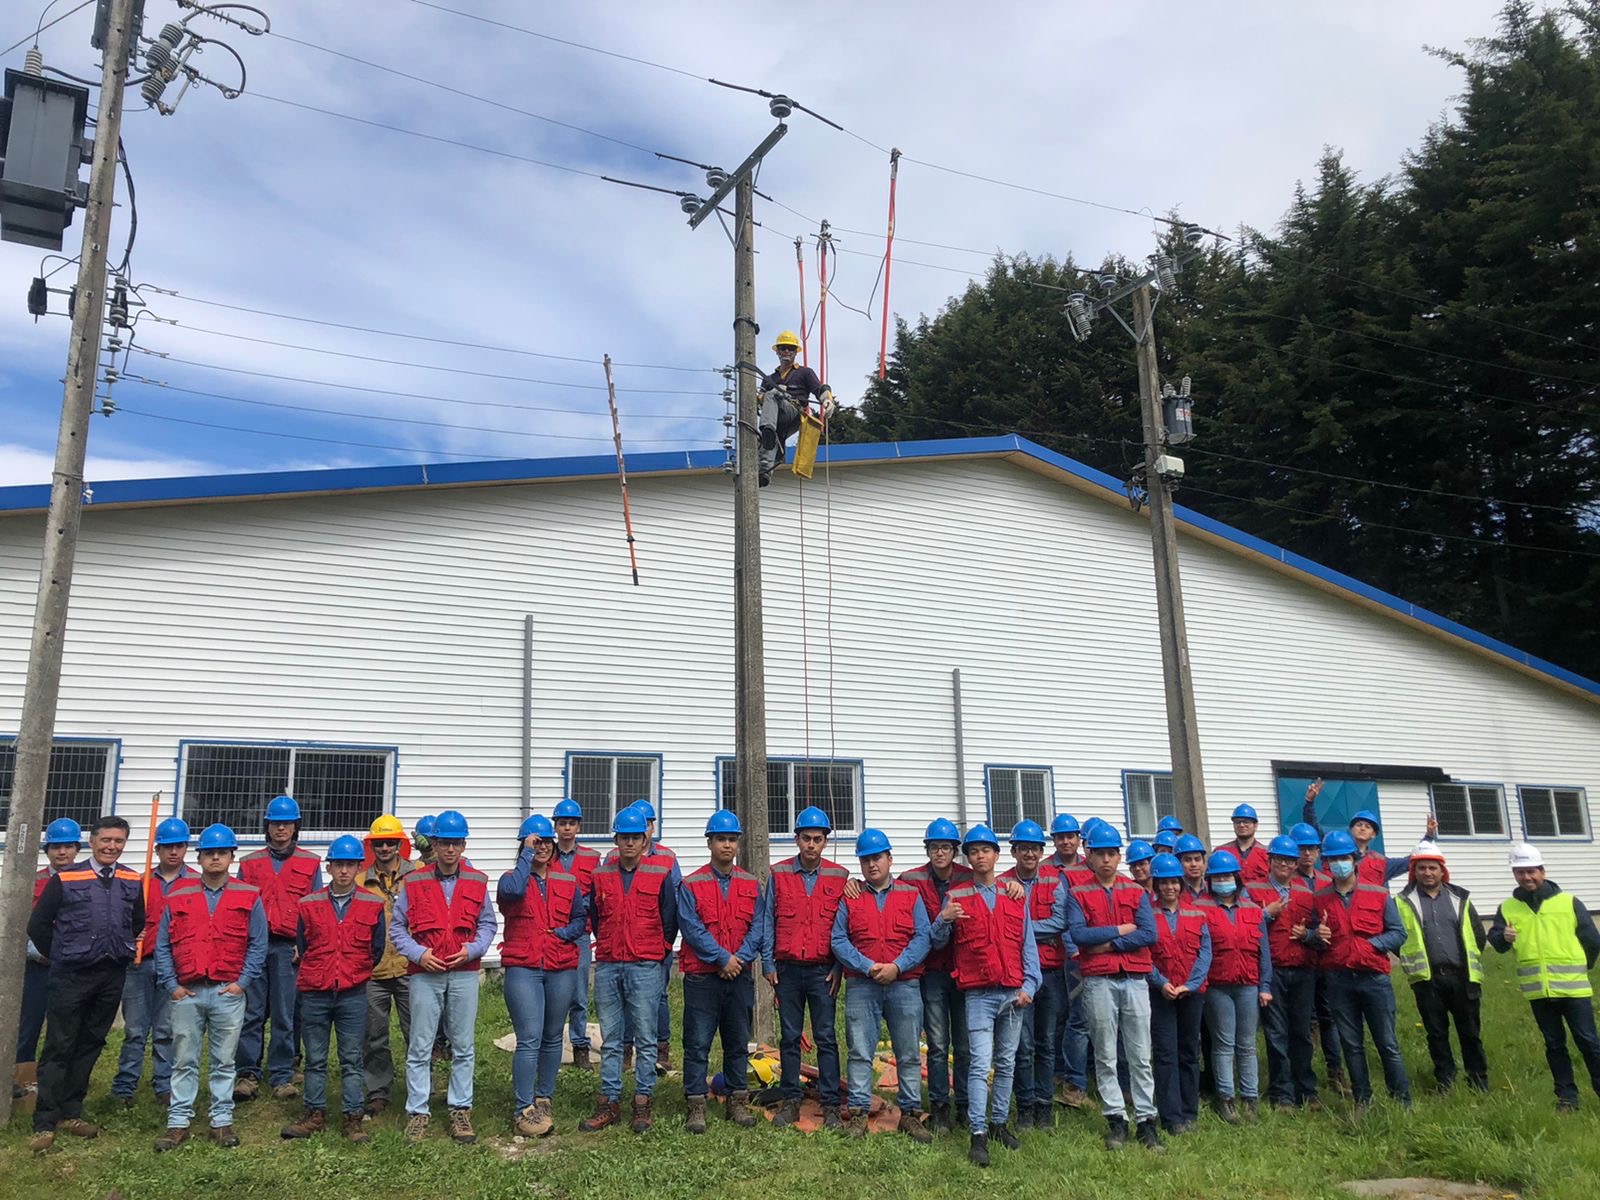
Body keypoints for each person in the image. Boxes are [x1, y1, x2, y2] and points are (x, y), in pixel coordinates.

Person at [26, 815, 144, 1152]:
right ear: (92, 842)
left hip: (110, 975)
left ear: (124, 844)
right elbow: (38, 925)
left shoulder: (131, 880)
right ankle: (44, 1121)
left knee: (91, 1042)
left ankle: (71, 1112)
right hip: (70, 975)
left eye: (118, 841)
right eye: (106, 840)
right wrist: (60, 955)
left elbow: (136, 921)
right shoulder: (66, 878)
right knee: (59, 1046)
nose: (111, 847)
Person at [154, 823, 267, 1152]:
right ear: (199, 857)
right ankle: (178, 1123)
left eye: (222, 853)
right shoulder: (177, 896)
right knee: (183, 1060)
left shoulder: (248, 895)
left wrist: (242, 983)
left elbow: (258, 943)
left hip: (226, 993)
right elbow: (162, 946)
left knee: (224, 1061)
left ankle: (221, 1121)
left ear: (232, 857)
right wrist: (171, 985)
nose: (215, 858)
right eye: (209, 853)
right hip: (186, 992)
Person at [391, 809, 496, 1144]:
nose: (450, 850)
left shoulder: (478, 881)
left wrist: (474, 949)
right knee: (420, 1046)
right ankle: (418, 1112)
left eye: (456, 843)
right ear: (433, 844)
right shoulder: (414, 881)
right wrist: (419, 954)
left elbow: (488, 924)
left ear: (463, 845)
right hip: (424, 973)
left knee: (463, 1045)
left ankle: (460, 1110)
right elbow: (397, 928)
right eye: (444, 843)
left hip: (464, 973)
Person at [833, 829, 939, 1142]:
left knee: (907, 1053)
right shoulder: (850, 898)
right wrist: (865, 966)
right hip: (861, 985)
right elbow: (838, 939)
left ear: (889, 859)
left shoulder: (909, 894)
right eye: (865, 860)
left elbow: (923, 936)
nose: (871, 864)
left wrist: (898, 966)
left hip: (904, 984)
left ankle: (909, 1114)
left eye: (877, 857)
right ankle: (858, 1114)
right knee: (860, 1052)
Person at [1064, 822, 1163, 1153]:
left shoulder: (1136, 891)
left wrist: (1107, 943)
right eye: (1099, 854)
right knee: (1105, 1053)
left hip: (1134, 978)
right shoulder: (1078, 892)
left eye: (1111, 853)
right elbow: (1079, 935)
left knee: (1140, 1054)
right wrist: (1122, 929)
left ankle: (1147, 1121)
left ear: (1119, 856)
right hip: (1098, 982)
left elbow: (1149, 933)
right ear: (1088, 856)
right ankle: (1116, 1120)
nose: (1106, 860)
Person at [580, 805, 678, 1134]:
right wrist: (609, 943)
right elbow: (594, 915)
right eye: (624, 838)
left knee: (646, 1039)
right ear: (616, 839)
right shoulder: (600, 875)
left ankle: (643, 1102)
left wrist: (659, 951)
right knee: (611, 1040)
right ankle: (609, 1102)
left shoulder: (659, 873)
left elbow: (670, 919)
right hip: (608, 963)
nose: (630, 843)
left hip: (645, 964)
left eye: (636, 837)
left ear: (644, 838)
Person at [282, 836, 386, 1144]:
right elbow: (303, 944)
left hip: (353, 992)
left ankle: (353, 1118)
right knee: (315, 1058)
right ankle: (314, 1114)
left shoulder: (372, 903)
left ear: (358, 867)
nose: (343, 871)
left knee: (352, 1058)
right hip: (315, 990)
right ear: (329, 867)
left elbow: (376, 949)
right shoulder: (308, 903)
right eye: (338, 864)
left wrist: (353, 971)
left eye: (349, 865)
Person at [946, 823, 1039, 1167]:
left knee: (1007, 1063)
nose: (980, 856)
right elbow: (941, 946)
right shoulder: (956, 897)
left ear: (997, 856)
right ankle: (978, 1134)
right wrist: (943, 920)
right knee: (978, 1065)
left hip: (1013, 993)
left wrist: (1030, 986)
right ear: (968, 858)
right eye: (973, 851)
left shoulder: (1015, 896)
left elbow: (1028, 946)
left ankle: (1000, 1124)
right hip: (978, 996)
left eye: (986, 850)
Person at [1487, 842, 1600, 1111]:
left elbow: (1592, 941)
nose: (1526, 877)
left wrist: (1582, 967)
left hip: (1574, 991)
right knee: (1554, 1045)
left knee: (1589, 1042)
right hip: (1538, 992)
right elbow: (1497, 942)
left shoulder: (1568, 902)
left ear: (1542, 871)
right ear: (1515, 874)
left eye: (1531, 871)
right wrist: (1503, 936)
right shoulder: (1508, 908)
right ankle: (1567, 1099)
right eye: (1520, 872)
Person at [677, 809, 765, 1134]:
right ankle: (696, 1105)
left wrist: (737, 959)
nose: (726, 845)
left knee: (738, 1041)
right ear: (710, 843)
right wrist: (721, 958)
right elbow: (691, 928)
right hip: (703, 977)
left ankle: (737, 1102)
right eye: (720, 839)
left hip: (739, 974)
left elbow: (758, 927)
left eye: (731, 839)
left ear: (737, 844)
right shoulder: (691, 883)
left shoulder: (751, 884)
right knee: (697, 1042)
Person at [498, 814, 586, 1138]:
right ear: (524, 845)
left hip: (560, 965)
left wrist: (564, 933)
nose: (543, 847)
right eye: (536, 841)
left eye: (546, 842)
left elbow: (580, 917)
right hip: (524, 966)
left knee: (552, 1036)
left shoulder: (567, 881)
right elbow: (513, 892)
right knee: (529, 1037)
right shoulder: (511, 879)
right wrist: (526, 854)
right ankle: (523, 1108)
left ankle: (543, 1097)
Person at [1311, 830, 1411, 1111]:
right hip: (1339, 981)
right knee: (1351, 1045)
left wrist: (1372, 945)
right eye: (1333, 860)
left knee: (1387, 1043)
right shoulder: (1320, 898)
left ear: (1354, 860)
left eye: (1344, 858)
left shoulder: (1378, 893)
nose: (1339, 864)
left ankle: (1402, 1100)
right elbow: (1317, 939)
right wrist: (1315, 935)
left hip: (1374, 979)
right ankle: (1362, 1100)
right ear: (1327, 865)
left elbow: (1398, 933)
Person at [763, 805, 848, 1131]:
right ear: (796, 839)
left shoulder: (839, 877)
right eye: (806, 838)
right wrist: (768, 962)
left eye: (817, 839)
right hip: (787, 970)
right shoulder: (779, 874)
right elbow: (768, 919)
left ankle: (829, 1105)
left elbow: (844, 926)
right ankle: (790, 1101)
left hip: (822, 970)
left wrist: (839, 967)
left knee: (826, 1037)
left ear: (825, 841)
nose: (811, 845)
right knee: (789, 1037)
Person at [235, 794, 323, 1102]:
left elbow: (315, 908)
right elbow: (238, 907)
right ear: (267, 827)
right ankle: (246, 1073)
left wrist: (306, 945)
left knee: (286, 1014)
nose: (281, 829)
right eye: (275, 824)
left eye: (287, 824)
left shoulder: (310, 863)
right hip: (255, 948)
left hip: (290, 950)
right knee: (252, 1012)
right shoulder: (249, 864)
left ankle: (283, 1075)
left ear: (296, 827)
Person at [113, 816, 197, 1107]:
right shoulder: (140, 883)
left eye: (179, 846)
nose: (173, 852)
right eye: (167, 847)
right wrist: (133, 937)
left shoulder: (196, 884)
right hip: (140, 964)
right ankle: (125, 1087)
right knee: (135, 1030)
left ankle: (163, 1084)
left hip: (174, 968)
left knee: (166, 1030)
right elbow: (123, 922)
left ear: (186, 848)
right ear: (157, 850)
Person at [1395, 841, 1487, 1094]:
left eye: (1433, 868)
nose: (1427, 873)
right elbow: (1396, 937)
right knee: (1436, 1034)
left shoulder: (1460, 898)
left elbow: (1478, 934)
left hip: (1462, 978)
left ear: (1442, 871)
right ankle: (1445, 1081)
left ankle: (1478, 1081)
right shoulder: (1402, 902)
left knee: (1470, 1033)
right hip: (1428, 980)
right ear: (1414, 871)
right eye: (1422, 868)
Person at [899, 818, 972, 1134]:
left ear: (954, 851)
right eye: (934, 847)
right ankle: (940, 1107)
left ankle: (967, 1106)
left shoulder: (969, 878)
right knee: (939, 1044)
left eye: (945, 847)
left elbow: (995, 886)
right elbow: (881, 885)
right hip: (931, 973)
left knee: (966, 1045)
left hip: (966, 972)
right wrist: (854, 885)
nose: (939, 852)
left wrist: (1011, 886)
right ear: (927, 849)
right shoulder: (912, 879)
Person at [1000, 819, 1067, 1130]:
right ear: (1013, 851)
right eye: (1024, 848)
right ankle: (1024, 1106)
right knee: (1022, 1045)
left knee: (1047, 1043)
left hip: (1051, 972)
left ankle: (1044, 1105)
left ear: (1043, 852)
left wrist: (1023, 931)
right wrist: (1033, 932)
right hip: (1018, 975)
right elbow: (1003, 929)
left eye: (1035, 848)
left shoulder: (1056, 880)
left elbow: (1061, 922)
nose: (1030, 853)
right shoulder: (1001, 884)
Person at [1249, 834, 1321, 1111]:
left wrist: (1309, 934)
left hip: (1303, 970)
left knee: (1301, 1033)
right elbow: (1243, 925)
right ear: (1269, 861)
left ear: (1296, 864)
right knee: (1276, 1034)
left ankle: (1307, 1089)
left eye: (1289, 861)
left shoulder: (1306, 892)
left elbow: (1320, 930)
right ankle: (1282, 1094)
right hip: (1272, 972)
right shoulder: (1254, 891)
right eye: (1279, 859)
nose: (1284, 865)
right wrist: (1265, 914)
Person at [1201, 850, 1271, 1123]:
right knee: (1223, 1044)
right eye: (1217, 877)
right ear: (1210, 880)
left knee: (1246, 1044)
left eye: (1227, 876)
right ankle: (1227, 1098)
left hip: (1249, 986)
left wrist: (1265, 985)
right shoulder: (1202, 908)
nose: (1223, 880)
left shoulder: (1254, 910)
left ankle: (1250, 1099)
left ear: (1237, 878)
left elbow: (1263, 952)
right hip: (1217, 986)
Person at [611, 799, 679, 1071]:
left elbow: (672, 905)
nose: (643, 831)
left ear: (651, 827)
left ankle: (661, 1050)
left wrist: (664, 944)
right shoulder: (613, 860)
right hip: (624, 944)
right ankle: (626, 1050)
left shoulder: (667, 858)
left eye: (648, 823)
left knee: (659, 996)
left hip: (655, 942)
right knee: (625, 997)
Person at [1146, 853, 1209, 1136]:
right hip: (1161, 994)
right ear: (1156, 884)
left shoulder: (1197, 912)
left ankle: (1189, 1112)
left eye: (1175, 882)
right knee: (1165, 1054)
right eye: (1164, 882)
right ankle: (1171, 1117)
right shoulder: (1147, 914)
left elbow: (1205, 954)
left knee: (1188, 1053)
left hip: (1191, 994)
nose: (1170, 887)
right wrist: (1161, 983)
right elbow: (1143, 954)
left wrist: (1191, 985)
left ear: (1181, 884)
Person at [18, 818, 83, 1089]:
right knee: (28, 1025)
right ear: (47, 850)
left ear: (77, 849)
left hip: (73, 969)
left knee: (66, 1029)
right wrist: (35, 951)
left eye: (68, 846)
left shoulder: (84, 881)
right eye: (56, 847)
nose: (62, 852)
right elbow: (23, 923)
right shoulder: (33, 882)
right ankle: (21, 1080)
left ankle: (57, 1081)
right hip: (39, 966)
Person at [358, 814, 414, 1116]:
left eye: (391, 842)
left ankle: (420, 1091)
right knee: (374, 1035)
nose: (385, 847)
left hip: (410, 967)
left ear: (400, 844)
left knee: (416, 1033)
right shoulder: (359, 880)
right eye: (379, 842)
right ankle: (378, 1091)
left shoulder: (418, 874)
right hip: (374, 971)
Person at [1289, 820, 1346, 1094]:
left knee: (1330, 1018)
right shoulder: (1289, 882)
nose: (1307, 854)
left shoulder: (1328, 881)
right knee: (1303, 1022)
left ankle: (1336, 1072)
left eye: (1312, 849)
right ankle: (1304, 1076)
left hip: (1329, 960)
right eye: (1301, 849)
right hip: (1301, 960)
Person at [1299, 779, 1437, 884]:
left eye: (1368, 826)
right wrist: (1309, 802)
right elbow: (1313, 828)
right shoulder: (1333, 848)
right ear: (1351, 829)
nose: (1363, 828)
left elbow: (1411, 860)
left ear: (1374, 834)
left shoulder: (1381, 862)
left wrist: (1428, 837)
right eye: (1359, 824)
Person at [1048, 813, 1094, 1110]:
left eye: (1070, 836)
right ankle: (1062, 1076)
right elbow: (1061, 920)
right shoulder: (1045, 871)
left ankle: (1083, 1073)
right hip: (1063, 957)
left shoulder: (1090, 868)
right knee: (1063, 1019)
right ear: (1054, 840)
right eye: (1060, 836)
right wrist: (1073, 949)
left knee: (1086, 1019)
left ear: (1079, 839)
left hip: (1091, 955)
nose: (1066, 841)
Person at [553, 797, 602, 1070]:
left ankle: (581, 1049)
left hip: (581, 934)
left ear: (579, 827)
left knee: (579, 995)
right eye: (562, 823)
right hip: (554, 933)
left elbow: (597, 896)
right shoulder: (547, 856)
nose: (567, 828)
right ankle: (552, 1047)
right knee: (554, 993)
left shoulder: (592, 858)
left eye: (572, 823)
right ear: (556, 827)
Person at [758, 330, 836, 486]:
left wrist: (827, 399)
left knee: (774, 394)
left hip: (794, 412)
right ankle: (764, 472)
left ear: (796, 352)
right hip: (775, 416)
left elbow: (819, 388)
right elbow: (760, 398)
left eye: (790, 348)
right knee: (765, 438)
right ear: (777, 351)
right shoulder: (769, 379)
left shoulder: (804, 372)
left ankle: (768, 430)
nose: (787, 351)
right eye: (783, 348)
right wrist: (758, 398)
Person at [1213, 804, 1270, 884]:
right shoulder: (1221, 852)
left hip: (1259, 896)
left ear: (1255, 825)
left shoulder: (1266, 854)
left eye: (1246, 822)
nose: (1242, 825)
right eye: (1237, 822)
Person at [1174, 834, 1209, 901]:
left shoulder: (1212, 890)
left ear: (1204, 862)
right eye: (1187, 860)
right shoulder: (1173, 892)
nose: (1193, 864)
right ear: (1178, 863)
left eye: (1197, 859)